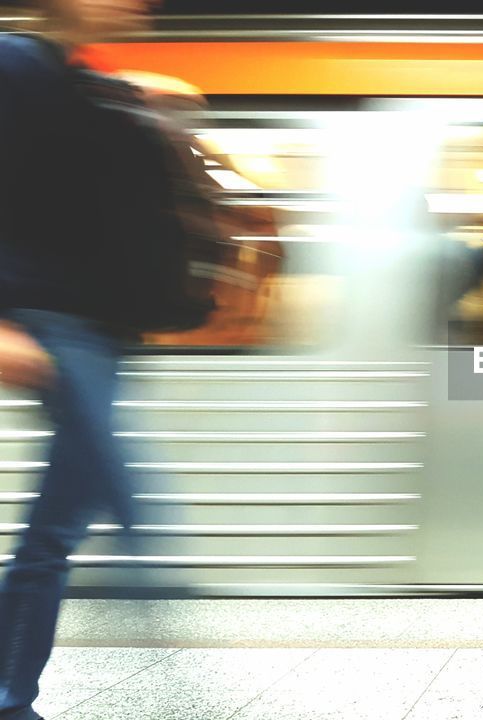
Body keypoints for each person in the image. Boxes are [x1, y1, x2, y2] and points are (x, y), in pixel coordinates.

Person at [0, 2, 161, 719]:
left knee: (58, 527)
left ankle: (10, 694)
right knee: (124, 493)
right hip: (47, 320)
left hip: (102, 331)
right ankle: (157, 568)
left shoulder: (87, 82)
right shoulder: (13, 64)